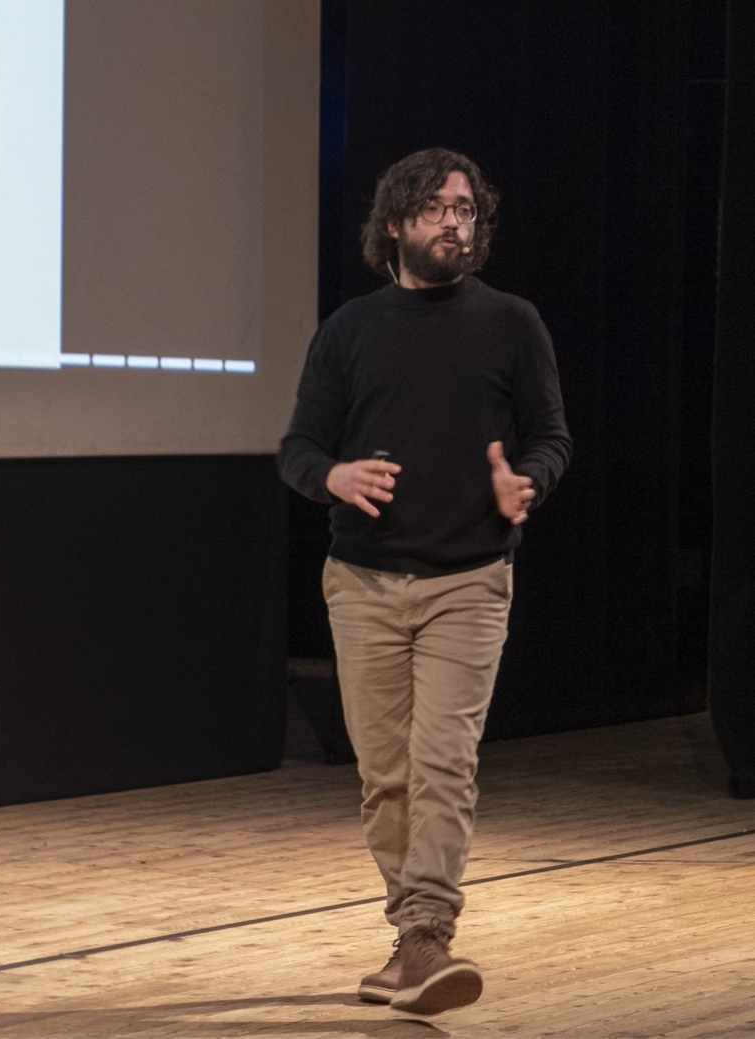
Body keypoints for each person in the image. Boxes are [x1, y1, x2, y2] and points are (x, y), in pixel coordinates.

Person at [277, 148, 572, 1016]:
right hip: (363, 583)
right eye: (437, 208)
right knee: (386, 776)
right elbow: (298, 449)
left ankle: (427, 931)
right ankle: (412, 943)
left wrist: (527, 482)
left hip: (469, 582)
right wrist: (334, 477)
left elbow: (552, 436)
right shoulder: (350, 330)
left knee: (444, 761)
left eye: (466, 208)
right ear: (396, 224)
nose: (455, 221)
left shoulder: (512, 322)